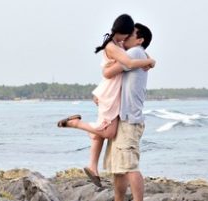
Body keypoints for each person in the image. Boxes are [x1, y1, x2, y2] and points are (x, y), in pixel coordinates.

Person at [57, 14, 155, 187]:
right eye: (128, 33)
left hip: (112, 95)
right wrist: (150, 61)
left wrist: (145, 56)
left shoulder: (122, 47)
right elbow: (117, 68)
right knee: (107, 132)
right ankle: (75, 123)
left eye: (132, 35)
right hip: (111, 94)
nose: (127, 38)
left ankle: (93, 166)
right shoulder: (119, 49)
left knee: (102, 131)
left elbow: (126, 61)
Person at [103, 22, 153, 201]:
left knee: (130, 166)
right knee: (119, 167)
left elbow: (108, 72)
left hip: (130, 120)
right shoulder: (137, 55)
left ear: (140, 39)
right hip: (123, 117)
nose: (125, 38)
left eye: (131, 34)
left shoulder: (136, 53)